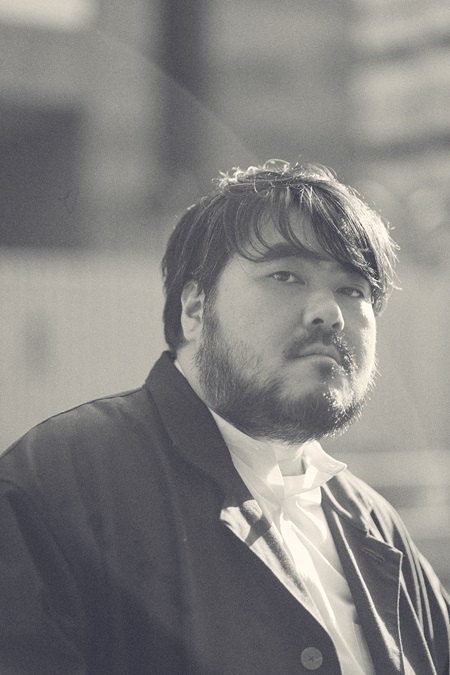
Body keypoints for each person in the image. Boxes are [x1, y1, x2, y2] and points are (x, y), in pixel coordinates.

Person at [0, 161, 448, 675]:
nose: (329, 313)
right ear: (194, 309)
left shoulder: (377, 528)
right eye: (285, 276)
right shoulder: (58, 483)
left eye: (353, 290)